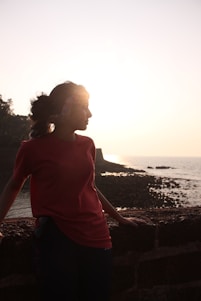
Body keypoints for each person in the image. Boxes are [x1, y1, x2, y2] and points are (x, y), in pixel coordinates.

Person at [0, 81, 147, 301]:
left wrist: (118, 217)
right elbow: (14, 185)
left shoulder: (87, 144)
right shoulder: (32, 149)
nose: (89, 113)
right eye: (83, 106)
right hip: (57, 238)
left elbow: (90, 186)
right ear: (62, 109)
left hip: (97, 235)